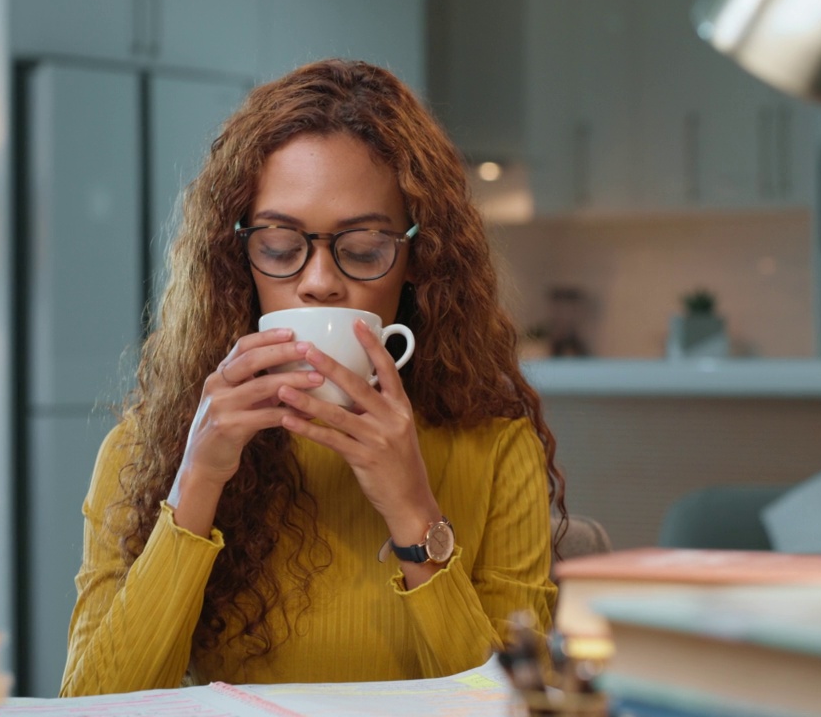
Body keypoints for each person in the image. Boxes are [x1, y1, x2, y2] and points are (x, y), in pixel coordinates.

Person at [60, 58, 568, 697]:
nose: (320, 281)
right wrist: (198, 481)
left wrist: (414, 515)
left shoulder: (494, 449)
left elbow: (519, 706)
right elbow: (92, 707)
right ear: (236, 257)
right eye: (278, 247)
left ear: (419, 257)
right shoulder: (148, 449)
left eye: (362, 250)